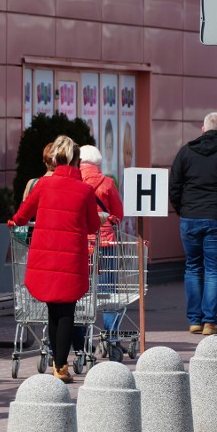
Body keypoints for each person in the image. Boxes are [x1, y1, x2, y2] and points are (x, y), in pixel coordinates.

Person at [11, 135, 100, 383]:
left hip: (46, 257)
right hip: (72, 258)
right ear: (74, 160)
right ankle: (60, 366)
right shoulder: (85, 190)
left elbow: (21, 216)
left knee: (52, 310)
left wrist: (17, 222)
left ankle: (57, 362)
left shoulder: (43, 185)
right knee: (67, 312)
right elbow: (93, 226)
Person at [169, 112, 217, 335]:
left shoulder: (186, 152)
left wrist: (183, 210)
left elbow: (174, 185)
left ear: (202, 129)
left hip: (190, 217)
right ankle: (210, 321)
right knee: (215, 270)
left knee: (192, 267)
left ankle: (194, 320)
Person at [78, 144, 124, 350]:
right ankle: (110, 337)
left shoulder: (74, 182)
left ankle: (84, 338)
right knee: (108, 291)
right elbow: (118, 214)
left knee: (81, 291)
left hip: (80, 243)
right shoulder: (107, 182)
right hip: (105, 242)